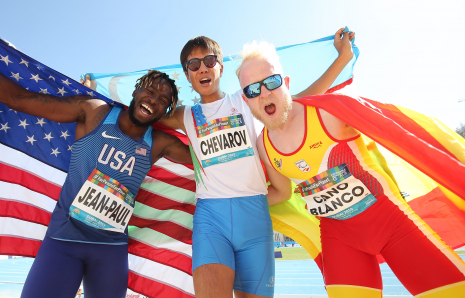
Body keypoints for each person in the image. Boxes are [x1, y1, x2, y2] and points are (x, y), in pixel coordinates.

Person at [236, 40, 465, 297]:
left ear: (286, 82)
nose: (265, 92)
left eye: (272, 81)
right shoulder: (264, 147)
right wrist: (233, 204)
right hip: (340, 240)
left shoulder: (329, 112)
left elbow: (400, 135)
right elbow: (282, 193)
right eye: (254, 89)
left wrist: (344, 57)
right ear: (246, 99)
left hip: (393, 224)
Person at [158, 28, 354, 298]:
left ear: (221, 67)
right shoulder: (184, 115)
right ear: (187, 74)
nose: (203, 68)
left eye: (209, 61)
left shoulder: (246, 99)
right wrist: (95, 95)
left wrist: (343, 58)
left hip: (256, 219)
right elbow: (140, 115)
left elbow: (298, 102)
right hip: (211, 220)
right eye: (194, 64)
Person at [0, 70, 192, 298]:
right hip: (64, 240)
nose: (153, 100)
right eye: (150, 91)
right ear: (135, 91)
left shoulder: (159, 143)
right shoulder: (94, 112)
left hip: (110, 250)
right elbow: (19, 99)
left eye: (163, 101)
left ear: (165, 112)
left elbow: (206, 157)